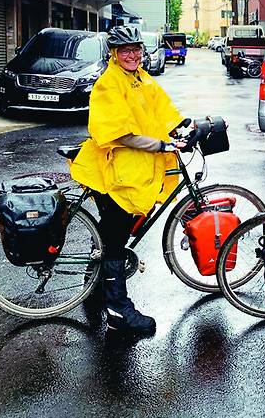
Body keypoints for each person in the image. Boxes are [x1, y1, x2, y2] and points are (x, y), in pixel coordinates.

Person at [70, 25, 187, 336]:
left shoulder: (140, 79)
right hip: (113, 173)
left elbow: (163, 109)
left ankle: (95, 288)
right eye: (125, 51)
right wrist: (162, 145)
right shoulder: (109, 84)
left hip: (133, 169)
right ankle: (118, 310)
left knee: (112, 234)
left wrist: (183, 127)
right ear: (114, 54)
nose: (132, 55)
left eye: (136, 49)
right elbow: (120, 133)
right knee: (116, 239)